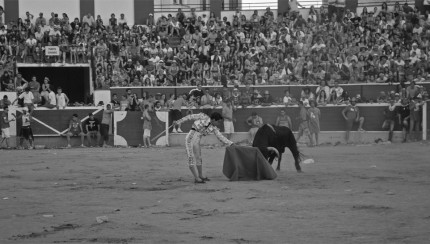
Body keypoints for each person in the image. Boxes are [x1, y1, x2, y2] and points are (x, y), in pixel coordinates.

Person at [173, 112, 233, 184]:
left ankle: (200, 175)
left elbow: (221, 137)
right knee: (191, 157)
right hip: (190, 138)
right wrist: (178, 122)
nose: (218, 123)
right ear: (213, 119)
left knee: (198, 158)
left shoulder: (214, 128)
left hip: (197, 140)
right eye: (218, 121)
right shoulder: (203, 116)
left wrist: (231, 143)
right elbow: (190, 117)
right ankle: (196, 178)